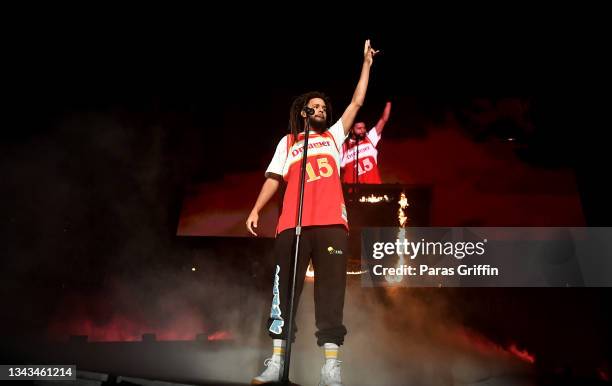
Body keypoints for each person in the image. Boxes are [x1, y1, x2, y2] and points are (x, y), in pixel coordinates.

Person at [246, 40, 379, 385]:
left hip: (332, 224)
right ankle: (277, 362)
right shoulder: (288, 142)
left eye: (323, 106)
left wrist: (366, 64)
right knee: (284, 294)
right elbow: (274, 179)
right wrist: (257, 209)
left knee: (330, 294)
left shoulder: (335, 135)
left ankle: (330, 368)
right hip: (292, 225)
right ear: (303, 111)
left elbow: (357, 102)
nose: (320, 109)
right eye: (314, 106)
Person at [341, 101, 391, 184]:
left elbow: (384, 119)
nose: (362, 130)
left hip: (373, 188)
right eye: (359, 128)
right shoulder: (344, 146)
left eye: (363, 128)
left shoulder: (369, 138)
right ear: (352, 130)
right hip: (352, 191)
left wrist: (388, 102)